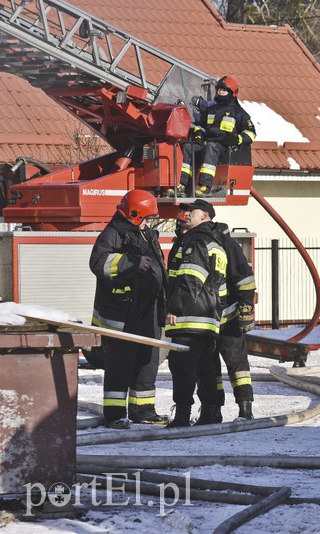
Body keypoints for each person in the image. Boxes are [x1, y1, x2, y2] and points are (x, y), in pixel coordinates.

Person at [89, 190, 168, 429]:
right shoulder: (113, 234)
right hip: (122, 313)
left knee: (147, 362)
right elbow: (97, 263)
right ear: (135, 214)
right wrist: (129, 262)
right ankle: (115, 415)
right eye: (147, 216)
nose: (150, 221)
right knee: (120, 365)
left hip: (147, 311)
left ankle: (142, 410)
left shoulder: (145, 235)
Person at [165, 199, 228, 427]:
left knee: (182, 367)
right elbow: (220, 288)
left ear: (205, 216)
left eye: (192, 210)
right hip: (208, 318)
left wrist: (175, 307)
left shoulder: (196, 240)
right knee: (205, 368)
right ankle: (209, 414)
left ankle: (182, 416)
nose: (186, 213)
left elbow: (192, 277)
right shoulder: (215, 243)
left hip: (189, 317)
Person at [170, 75, 256, 197]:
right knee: (189, 147)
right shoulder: (211, 109)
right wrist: (199, 133)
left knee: (211, 147)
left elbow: (251, 133)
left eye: (224, 90)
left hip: (224, 146)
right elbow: (201, 125)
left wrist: (237, 139)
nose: (221, 92)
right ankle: (182, 185)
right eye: (219, 89)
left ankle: (205, 187)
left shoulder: (239, 112)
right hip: (208, 143)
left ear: (233, 93)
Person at [212, 221, 257, 422]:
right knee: (211, 368)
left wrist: (246, 308)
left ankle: (245, 409)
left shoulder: (226, 245)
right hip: (208, 319)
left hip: (227, 318)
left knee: (237, 366)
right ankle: (214, 410)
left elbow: (245, 279)